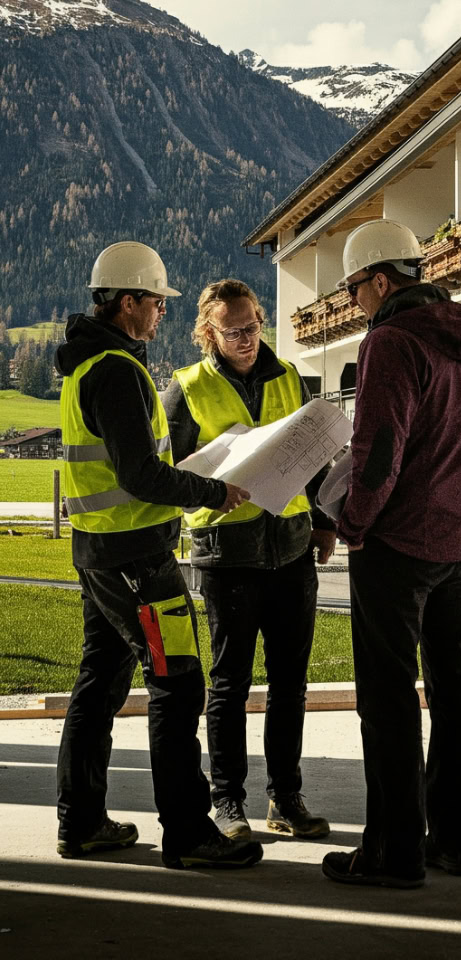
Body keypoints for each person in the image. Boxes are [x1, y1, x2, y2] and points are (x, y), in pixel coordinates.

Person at [55, 241, 263, 871]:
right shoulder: (116, 370)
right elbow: (142, 474)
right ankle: (188, 834)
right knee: (177, 685)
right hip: (139, 560)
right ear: (128, 302)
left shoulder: (89, 365)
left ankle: (82, 821)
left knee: (101, 682)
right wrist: (213, 491)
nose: (162, 313)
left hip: (102, 554)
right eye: (156, 302)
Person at [321, 219, 461, 890]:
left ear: (382, 281)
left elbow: (380, 452)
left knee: (388, 699)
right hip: (459, 539)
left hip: (398, 542)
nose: (352, 302)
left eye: (353, 289)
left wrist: (353, 524)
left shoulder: (391, 342)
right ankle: (455, 840)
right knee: (454, 692)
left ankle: (392, 854)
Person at [163, 279, 336, 842]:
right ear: (208, 332)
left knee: (291, 684)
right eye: (234, 330)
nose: (246, 338)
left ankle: (286, 798)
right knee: (229, 684)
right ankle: (227, 804)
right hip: (225, 556)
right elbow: (171, 475)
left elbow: (316, 458)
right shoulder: (184, 390)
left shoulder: (289, 377)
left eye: (254, 325)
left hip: (290, 551)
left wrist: (326, 523)